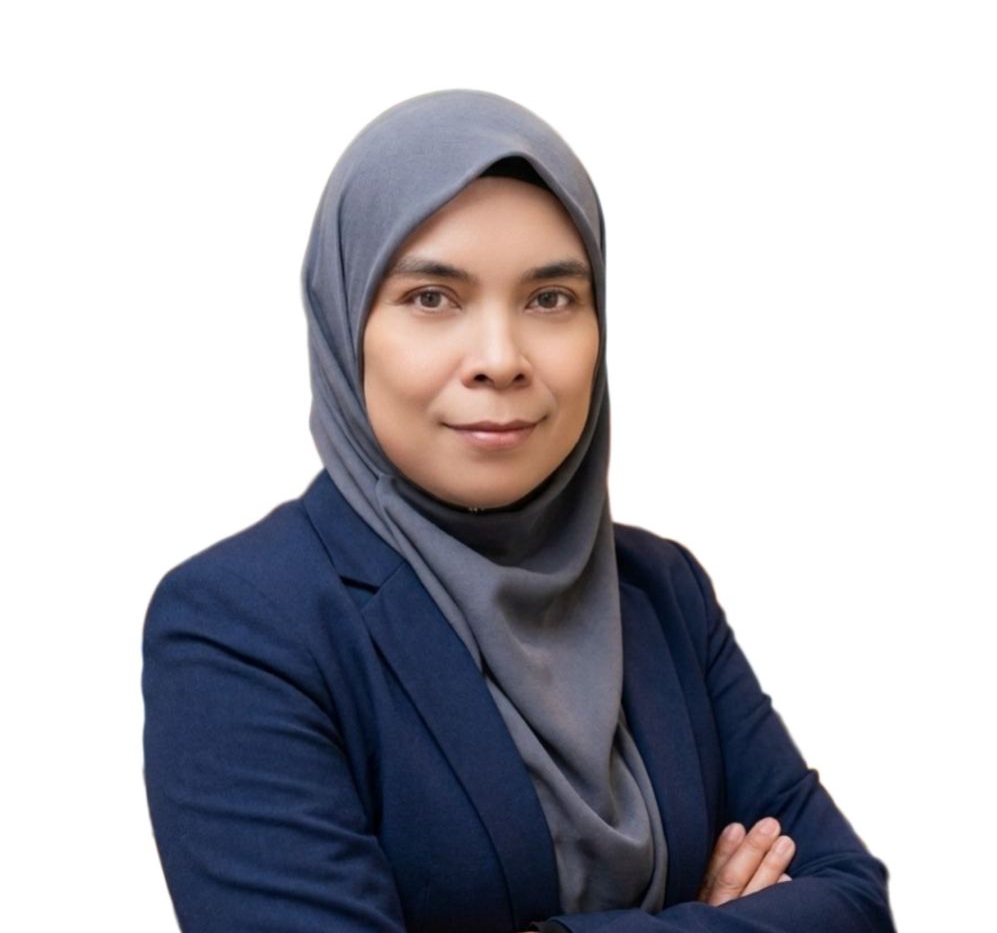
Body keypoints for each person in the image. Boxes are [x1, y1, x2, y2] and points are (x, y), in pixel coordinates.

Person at [139, 89, 895, 932]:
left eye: (550, 299)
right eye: (432, 297)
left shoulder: (662, 589)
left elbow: (853, 902)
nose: (500, 360)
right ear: (344, 323)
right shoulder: (240, 623)